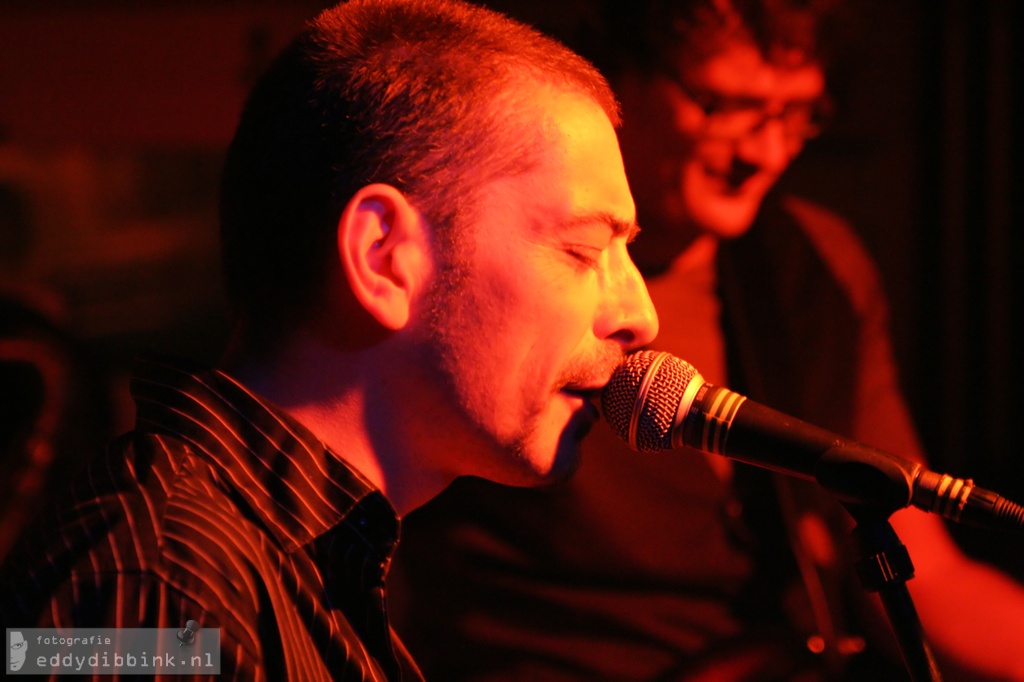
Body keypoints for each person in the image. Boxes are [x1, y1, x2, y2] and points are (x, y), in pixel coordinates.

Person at [0, 0, 658, 679]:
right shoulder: (160, 594)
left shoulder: (273, 574)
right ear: (383, 256)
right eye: (584, 251)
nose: (641, 314)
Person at [391, 1, 1024, 680]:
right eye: (724, 105)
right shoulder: (487, 267)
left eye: (797, 113)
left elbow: (926, 577)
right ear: (614, 79)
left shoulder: (814, 266)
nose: (765, 150)